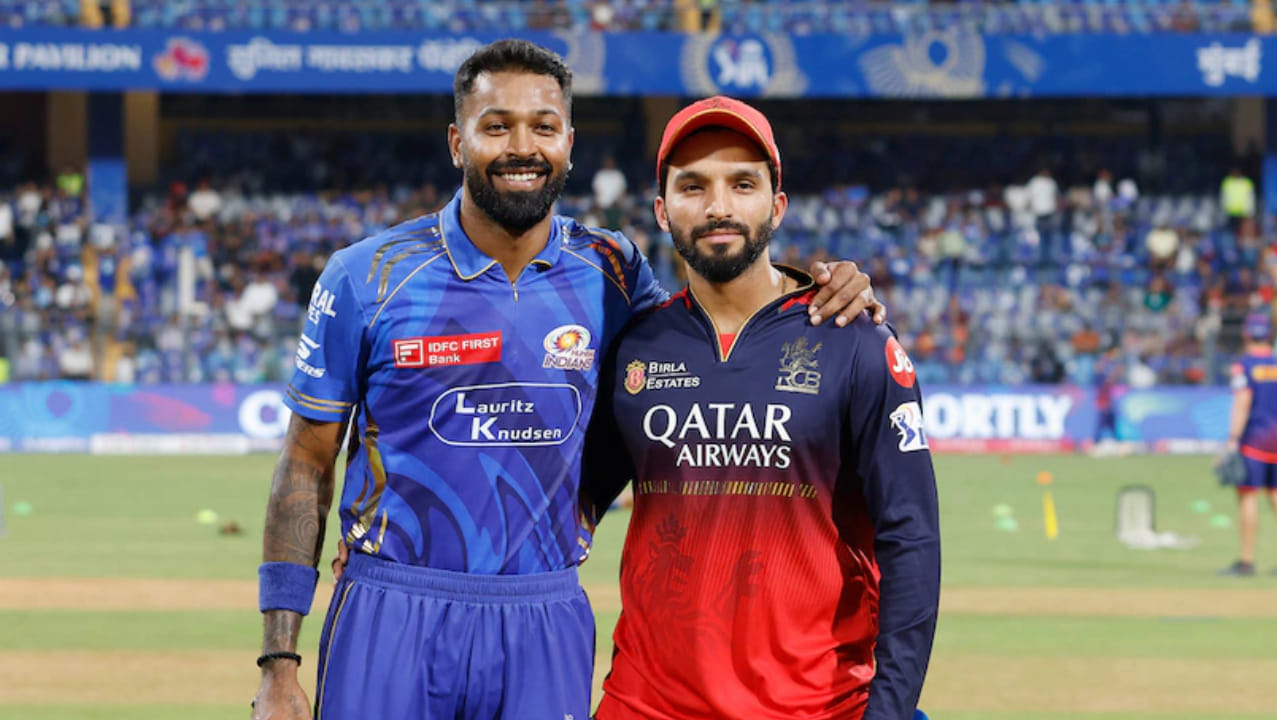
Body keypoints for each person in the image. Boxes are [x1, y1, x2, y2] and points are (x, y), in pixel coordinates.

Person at [252, 41, 883, 720]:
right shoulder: (366, 277)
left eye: (543, 127)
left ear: (569, 144)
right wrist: (279, 663)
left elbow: (710, 335)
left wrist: (813, 289)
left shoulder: (613, 272)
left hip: (543, 615)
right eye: (496, 126)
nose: (522, 147)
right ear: (457, 143)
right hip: (392, 608)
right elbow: (305, 460)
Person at [582, 96, 940, 720]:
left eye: (742, 184)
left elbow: (911, 539)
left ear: (777, 205)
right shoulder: (633, 347)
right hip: (646, 705)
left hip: (815, 707)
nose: (718, 206)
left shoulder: (853, 340)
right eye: (693, 186)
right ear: (662, 211)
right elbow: (567, 501)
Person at [1220, 314, 1277, 576]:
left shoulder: (1244, 366)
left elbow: (1242, 402)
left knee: (1248, 496)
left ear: (1246, 334)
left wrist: (1232, 439)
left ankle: (1246, 561)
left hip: (1255, 440)